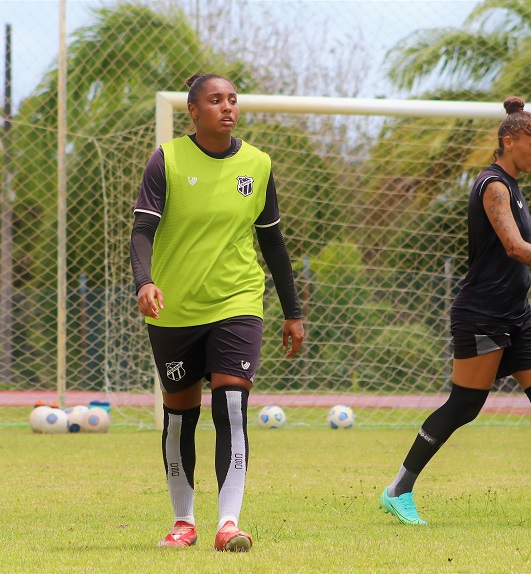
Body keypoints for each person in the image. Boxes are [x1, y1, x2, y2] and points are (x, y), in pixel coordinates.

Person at [379, 97, 531, 527]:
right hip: (481, 314)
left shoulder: (514, 186)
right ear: (509, 141)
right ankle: (398, 489)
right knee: (465, 405)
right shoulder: (493, 185)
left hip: (517, 315)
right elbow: (514, 248)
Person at [130, 73, 305, 551]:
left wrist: (293, 311)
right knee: (180, 415)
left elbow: (272, 241)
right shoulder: (166, 160)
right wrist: (145, 282)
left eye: (232, 99)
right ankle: (183, 522)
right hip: (175, 309)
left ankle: (228, 524)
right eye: (215, 100)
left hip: (238, 302)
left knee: (231, 404)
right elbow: (142, 232)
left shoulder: (258, 164)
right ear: (193, 110)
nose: (227, 107)